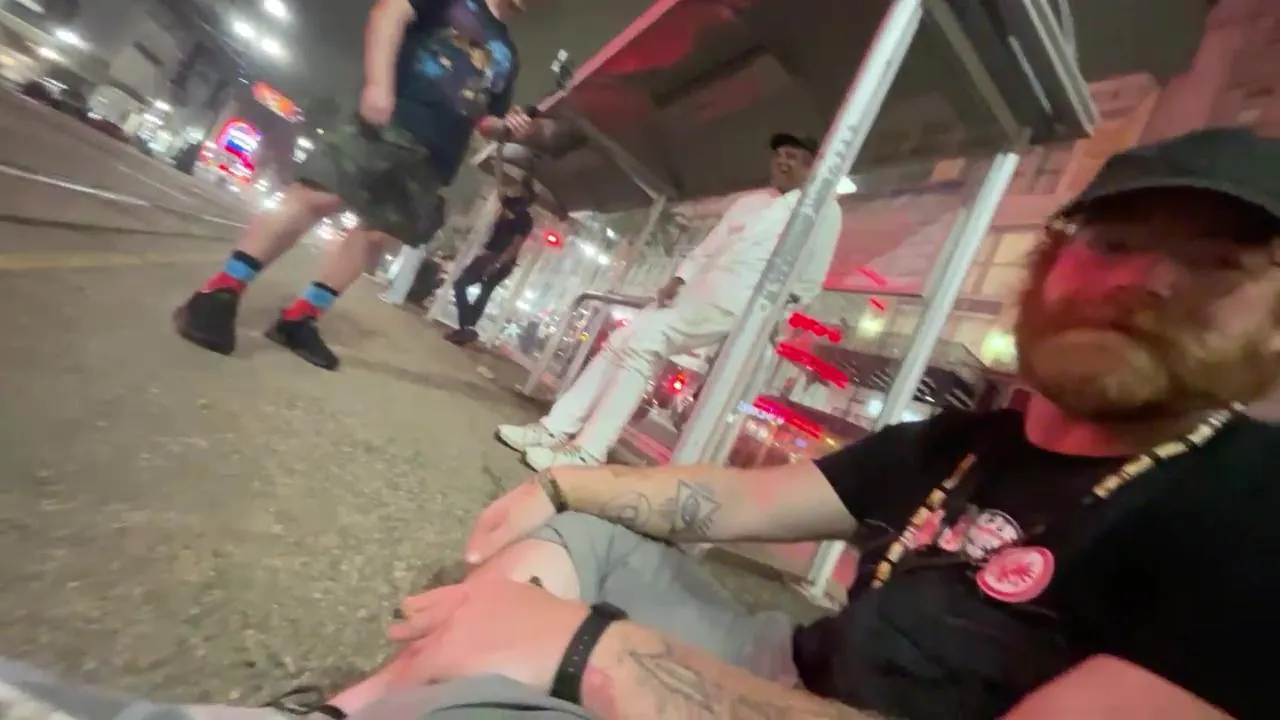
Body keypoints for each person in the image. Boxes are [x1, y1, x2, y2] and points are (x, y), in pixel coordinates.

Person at [8, 128, 1277, 720]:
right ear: (1045, 266)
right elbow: (732, 500)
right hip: (798, 666)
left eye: (1214, 266)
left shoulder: (1247, 514)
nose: (1145, 284)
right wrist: (568, 491)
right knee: (577, 553)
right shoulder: (972, 444)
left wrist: (589, 653)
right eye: (1111, 242)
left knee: (500, 698)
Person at [173, 0, 537, 371]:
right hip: (393, 120)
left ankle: (300, 319)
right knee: (319, 194)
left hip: (434, 159)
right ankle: (221, 291)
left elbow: (485, 120)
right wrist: (379, 84)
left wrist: (508, 126)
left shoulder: (507, 54)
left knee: (376, 236)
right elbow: (389, 12)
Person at [496, 132, 844, 470]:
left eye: (792, 157)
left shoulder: (823, 210)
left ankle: (587, 451)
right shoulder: (753, 201)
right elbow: (711, 245)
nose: (781, 162)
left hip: (742, 303)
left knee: (645, 343)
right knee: (622, 340)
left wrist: (772, 316)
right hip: (699, 290)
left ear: (813, 165)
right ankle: (554, 429)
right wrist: (679, 278)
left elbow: (810, 281)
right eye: (779, 155)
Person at [444, 175, 535, 346]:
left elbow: (516, 244)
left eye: (519, 189)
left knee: (462, 284)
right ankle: (467, 328)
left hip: (497, 258)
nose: (514, 190)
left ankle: (466, 326)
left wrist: (498, 263)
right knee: (484, 292)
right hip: (499, 259)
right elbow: (501, 191)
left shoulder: (524, 218)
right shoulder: (511, 206)